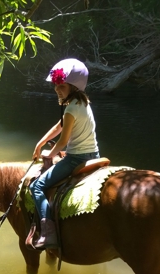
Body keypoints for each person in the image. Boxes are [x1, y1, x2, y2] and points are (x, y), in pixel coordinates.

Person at [29, 58, 100, 249]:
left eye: (61, 86)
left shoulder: (70, 108)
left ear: (73, 87)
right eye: (56, 85)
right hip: (94, 153)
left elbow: (62, 141)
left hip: (77, 157)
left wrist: (48, 155)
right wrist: (41, 142)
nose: (57, 90)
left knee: (36, 187)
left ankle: (48, 233)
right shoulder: (82, 102)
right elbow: (60, 125)